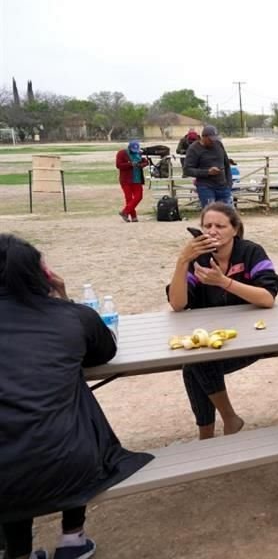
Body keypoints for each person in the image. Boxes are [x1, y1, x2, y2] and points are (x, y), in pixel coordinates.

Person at [0, 234, 153, 559]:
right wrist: (62, 297)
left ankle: (18, 553)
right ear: (40, 274)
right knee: (66, 413)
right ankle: (72, 539)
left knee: (18, 424)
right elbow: (104, 350)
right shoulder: (71, 317)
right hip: (70, 463)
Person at [166, 202, 278, 439]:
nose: (212, 231)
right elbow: (177, 304)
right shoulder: (197, 259)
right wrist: (182, 261)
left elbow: (267, 298)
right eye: (207, 226)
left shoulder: (251, 252)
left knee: (197, 363)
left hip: (253, 338)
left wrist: (224, 282)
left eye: (220, 225)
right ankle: (213, 430)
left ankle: (219, 426)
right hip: (217, 341)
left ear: (234, 229)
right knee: (194, 364)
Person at [183, 125, 233, 207]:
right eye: (211, 139)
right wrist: (207, 172)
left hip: (223, 186)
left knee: (227, 215)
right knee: (210, 213)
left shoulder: (219, 145)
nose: (213, 142)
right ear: (204, 137)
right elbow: (187, 170)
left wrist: (229, 184)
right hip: (206, 187)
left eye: (215, 139)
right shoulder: (193, 149)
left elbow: (226, 164)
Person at [115, 139, 150, 222]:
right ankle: (133, 217)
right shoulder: (122, 153)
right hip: (126, 179)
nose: (135, 151)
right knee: (129, 198)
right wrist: (130, 164)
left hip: (137, 179)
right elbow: (118, 165)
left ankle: (125, 212)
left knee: (139, 197)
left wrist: (143, 164)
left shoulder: (139, 153)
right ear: (129, 148)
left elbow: (144, 162)